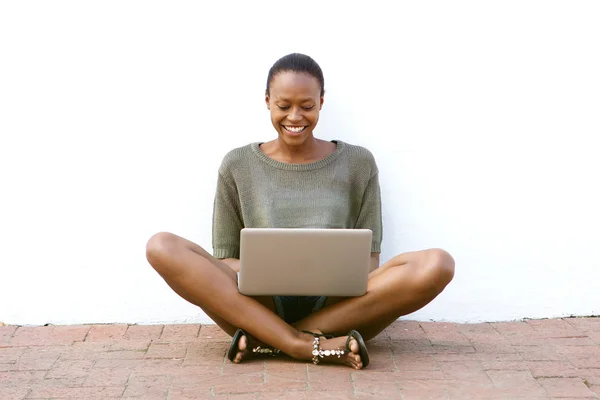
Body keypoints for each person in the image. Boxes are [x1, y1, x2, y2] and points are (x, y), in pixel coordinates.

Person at [146, 53, 455, 370]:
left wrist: (322, 273)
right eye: (284, 106)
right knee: (162, 246)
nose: (295, 117)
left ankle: (273, 341)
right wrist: (277, 269)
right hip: (257, 305)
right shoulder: (238, 165)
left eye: (307, 107)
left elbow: (369, 263)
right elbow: (225, 262)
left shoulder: (359, 163)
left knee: (437, 264)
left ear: (322, 102)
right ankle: (299, 344)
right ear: (267, 101)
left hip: (342, 307)